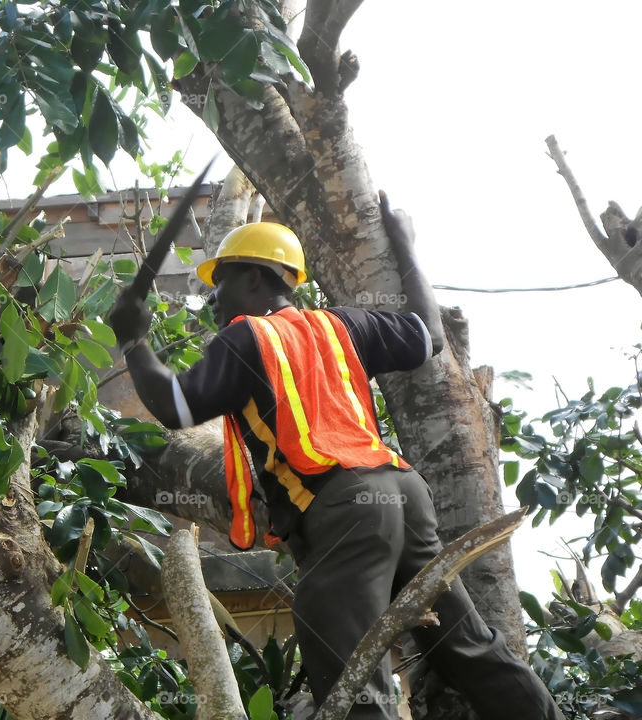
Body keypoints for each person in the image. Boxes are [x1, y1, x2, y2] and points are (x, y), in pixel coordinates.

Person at [107, 192, 563, 720]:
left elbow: (174, 406)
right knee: (468, 646)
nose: (213, 297)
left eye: (222, 280)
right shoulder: (343, 324)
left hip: (345, 507)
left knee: (353, 682)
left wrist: (135, 342)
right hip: (404, 494)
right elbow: (430, 334)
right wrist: (406, 246)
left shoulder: (244, 337)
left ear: (257, 277)